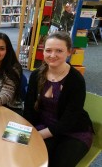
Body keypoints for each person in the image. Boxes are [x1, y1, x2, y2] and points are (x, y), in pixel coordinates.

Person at [23, 32, 93, 167]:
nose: (52, 55)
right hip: (44, 125)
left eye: (59, 51)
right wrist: (28, 131)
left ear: (69, 52)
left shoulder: (75, 80)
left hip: (73, 131)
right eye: (48, 50)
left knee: (58, 163)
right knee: (30, 157)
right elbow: (29, 107)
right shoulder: (37, 75)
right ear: (43, 52)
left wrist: (38, 136)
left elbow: (70, 119)